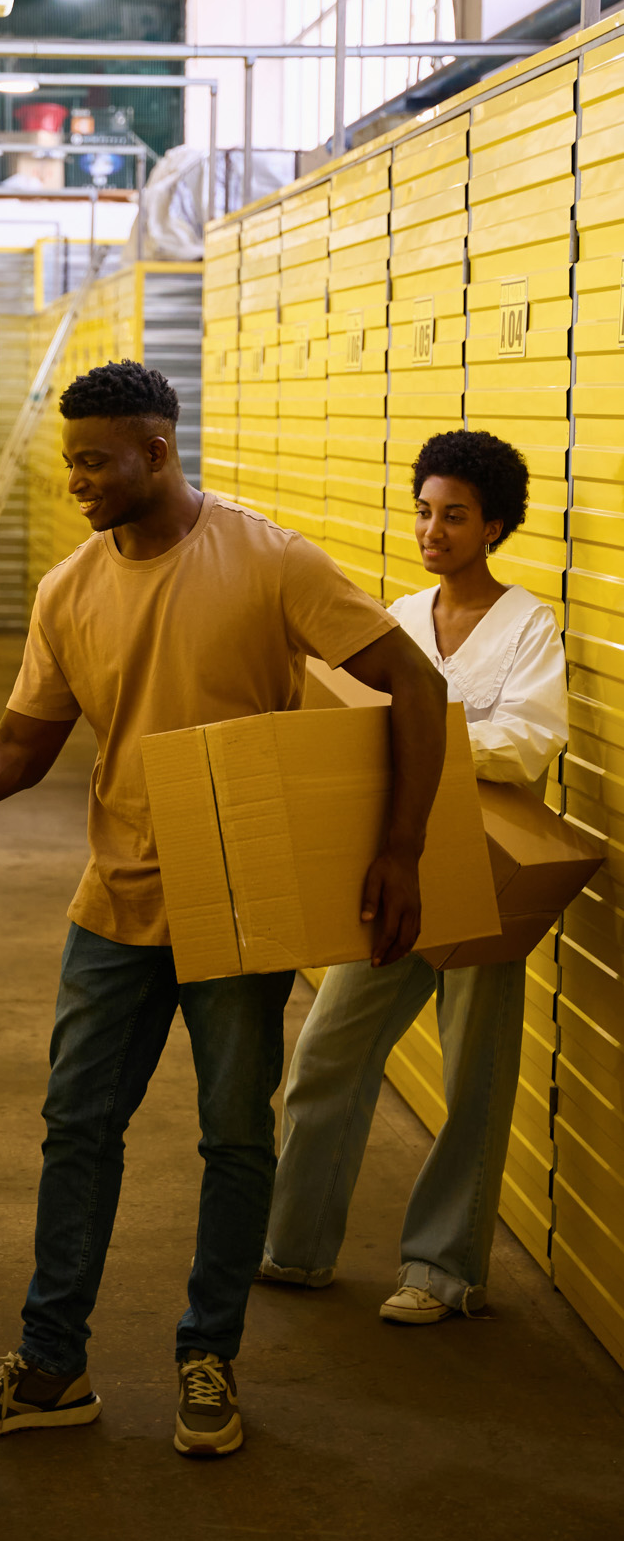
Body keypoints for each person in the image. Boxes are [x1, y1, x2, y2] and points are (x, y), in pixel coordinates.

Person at [0, 361, 448, 1457]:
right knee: (77, 1130)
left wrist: (401, 849)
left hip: (236, 899)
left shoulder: (267, 558)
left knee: (236, 1135)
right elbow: (14, 751)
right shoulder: (67, 590)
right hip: (114, 899)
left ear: (158, 447)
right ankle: (52, 1366)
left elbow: (413, 685)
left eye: (97, 460)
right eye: (71, 461)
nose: (77, 481)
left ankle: (208, 1357)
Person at [261, 429, 568, 1324]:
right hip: (392, 869)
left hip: (484, 871)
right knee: (326, 1052)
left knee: (471, 1077)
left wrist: (423, 736)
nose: (432, 531)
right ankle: (294, 1246)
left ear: (494, 526)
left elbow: (530, 741)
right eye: (425, 512)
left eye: (455, 517)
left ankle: (441, 1271)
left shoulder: (526, 624)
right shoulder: (395, 617)